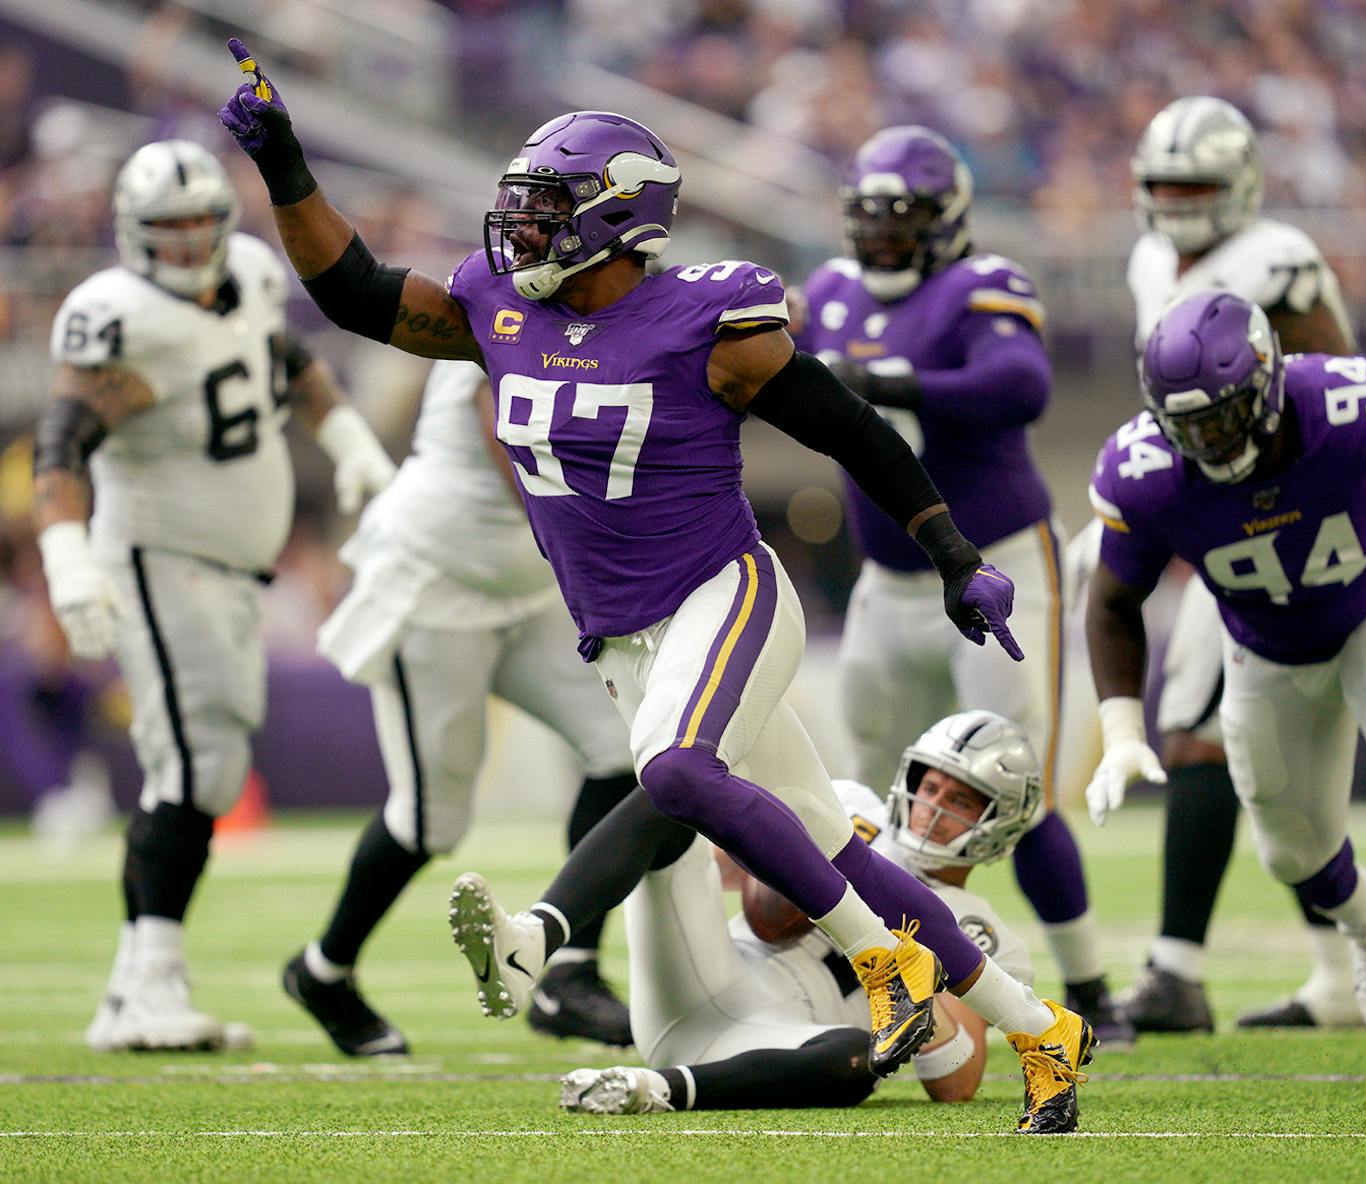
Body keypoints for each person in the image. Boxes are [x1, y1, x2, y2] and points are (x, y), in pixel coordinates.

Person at [218, 41, 1093, 1127]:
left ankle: (874, 966)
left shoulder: (705, 320)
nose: (521, 228)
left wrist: (954, 554)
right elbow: (353, 293)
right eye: (522, 206)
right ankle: (1040, 1028)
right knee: (824, 842)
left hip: (721, 594)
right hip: (620, 632)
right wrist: (286, 161)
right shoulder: (498, 305)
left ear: (619, 217)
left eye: (549, 208)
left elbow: (849, 429)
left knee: (675, 770)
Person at [32, 139, 395, 1051]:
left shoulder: (249, 272)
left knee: (207, 768)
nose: (192, 241)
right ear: (132, 232)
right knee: (197, 768)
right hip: (156, 554)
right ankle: (146, 985)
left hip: (231, 566)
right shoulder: (112, 314)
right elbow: (62, 445)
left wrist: (346, 434)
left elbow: (285, 362)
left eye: (204, 222)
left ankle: (135, 989)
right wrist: (67, 555)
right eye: (170, 227)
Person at [796, 126, 1127, 1043]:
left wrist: (878, 376)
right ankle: (867, 971)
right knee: (862, 796)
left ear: (947, 222)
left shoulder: (985, 284)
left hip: (998, 567)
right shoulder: (824, 290)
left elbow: (1019, 385)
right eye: (869, 219)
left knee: (1013, 785)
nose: (882, 239)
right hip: (883, 580)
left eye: (902, 221)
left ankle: (1093, 986)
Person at [1077, 95, 1365, 1033]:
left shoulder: (1279, 260)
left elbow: (1328, 401)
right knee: (1234, 750)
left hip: (1280, 528)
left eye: (1198, 185)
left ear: (1239, 184)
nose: (1182, 204)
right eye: (1166, 186)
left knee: (1206, 734)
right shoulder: (1149, 258)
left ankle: (1179, 968)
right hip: (1211, 516)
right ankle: (1332, 972)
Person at [1084, 288, 1366, 1035]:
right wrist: (1123, 732)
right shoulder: (1143, 470)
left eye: (1222, 417)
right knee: (1291, 852)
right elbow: (1111, 602)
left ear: (1266, 384)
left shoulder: (1355, 403)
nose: (1207, 440)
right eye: (1187, 427)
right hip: (1266, 645)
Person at [284, 359, 638, 1055]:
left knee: (624, 750)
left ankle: (569, 972)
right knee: (431, 818)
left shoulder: (608, 308)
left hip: (527, 584)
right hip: (438, 580)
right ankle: (324, 970)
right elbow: (518, 457)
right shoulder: (504, 311)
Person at [556, 710, 1050, 1119]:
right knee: (671, 795)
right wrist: (796, 871)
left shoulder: (985, 933)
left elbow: (956, 1082)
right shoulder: (849, 808)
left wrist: (917, 962)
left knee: (858, 1059)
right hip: (702, 969)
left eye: (960, 799)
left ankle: (650, 1088)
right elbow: (720, 866)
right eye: (929, 785)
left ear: (1000, 822)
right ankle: (541, 932)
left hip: (771, 1044)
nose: (932, 807)